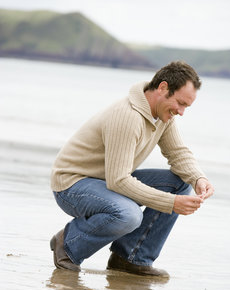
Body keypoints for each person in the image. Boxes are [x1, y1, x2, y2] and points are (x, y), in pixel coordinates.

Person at [50, 61, 214, 277]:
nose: (181, 112)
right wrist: (170, 203)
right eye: (180, 103)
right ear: (163, 88)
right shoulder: (128, 116)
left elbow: (178, 153)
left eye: (186, 107)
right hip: (72, 185)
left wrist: (198, 179)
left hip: (105, 182)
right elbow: (118, 181)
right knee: (129, 215)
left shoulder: (163, 115)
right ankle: (69, 243)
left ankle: (131, 258)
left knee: (180, 183)